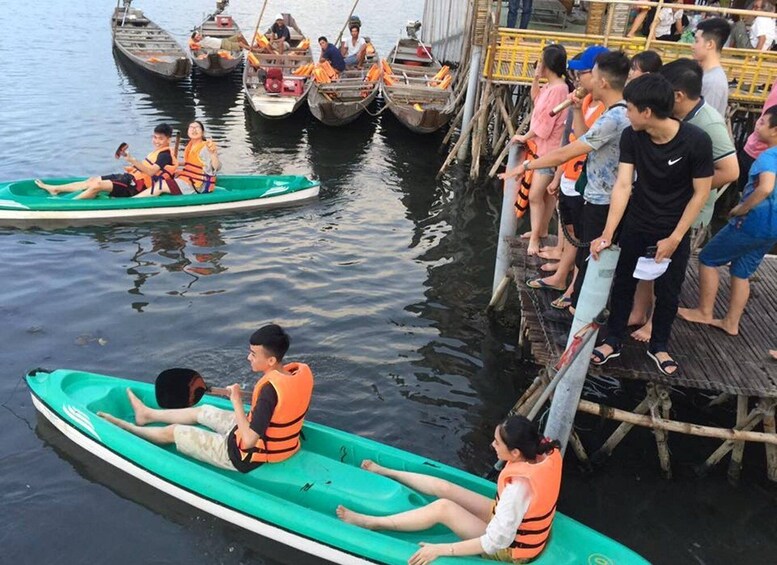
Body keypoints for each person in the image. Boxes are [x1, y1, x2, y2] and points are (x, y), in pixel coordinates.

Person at [589, 73, 713, 376]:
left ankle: (659, 345)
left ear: (646, 112)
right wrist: (607, 234)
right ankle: (613, 338)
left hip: (674, 227)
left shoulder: (696, 141)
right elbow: (622, 185)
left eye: (630, 108)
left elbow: (701, 194)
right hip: (638, 221)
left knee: (669, 291)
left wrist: (675, 237)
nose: (625, 113)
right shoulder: (632, 135)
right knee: (623, 284)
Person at [500, 49, 632, 318]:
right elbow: (584, 139)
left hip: (603, 201)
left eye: (591, 76)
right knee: (586, 262)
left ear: (603, 82)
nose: (585, 80)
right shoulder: (615, 112)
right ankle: (577, 311)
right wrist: (575, 109)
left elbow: (568, 151)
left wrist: (525, 166)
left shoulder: (615, 118)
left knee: (590, 266)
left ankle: (579, 322)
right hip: (594, 196)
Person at [336, 416, 562, 564]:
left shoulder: (517, 490)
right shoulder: (542, 454)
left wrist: (442, 549)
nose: (492, 445)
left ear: (515, 453)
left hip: (510, 549)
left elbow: (495, 542)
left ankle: (372, 522)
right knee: (444, 488)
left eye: (497, 443)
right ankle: (386, 471)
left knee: (443, 508)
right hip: (512, 521)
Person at [98, 324, 315, 473]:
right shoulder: (297, 373)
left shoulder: (269, 390)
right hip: (278, 442)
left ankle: (128, 429)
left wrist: (237, 401)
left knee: (174, 431)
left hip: (245, 456)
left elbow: (249, 441)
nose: (249, 357)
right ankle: (147, 414)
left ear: (271, 361)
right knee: (203, 411)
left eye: (253, 354)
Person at [628, 59, 738, 341]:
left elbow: (730, 171)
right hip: (657, 208)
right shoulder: (674, 121)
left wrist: (678, 187)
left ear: (677, 95)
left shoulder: (708, 123)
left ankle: (654, 323)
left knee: (666, 270)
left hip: (688, 210)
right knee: (646, 262)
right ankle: (638, 312)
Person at [679, 106, 777, 336]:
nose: (758, 124)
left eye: (763, 122)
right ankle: (731, 322)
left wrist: (742, 207)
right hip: (771, 229)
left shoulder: (769, 156)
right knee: (741, 271)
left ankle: (704, 311)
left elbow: (766, 187)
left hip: (751, 222)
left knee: (708, 258)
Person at [527, 47, 608, 308]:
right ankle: (562, 276)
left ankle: (573, 286)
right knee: (571, 229)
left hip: (589, 182)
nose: (577, 77)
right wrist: (559, 175)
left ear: (599, 76)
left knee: (583, 236)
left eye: (583, 73)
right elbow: (572, 139)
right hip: (569, 171)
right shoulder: (584, 101)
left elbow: (585, 142)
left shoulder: (609, 110)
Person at [511, 44, 572, 256]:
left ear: (547, 64)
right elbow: (536, 98)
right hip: (543, 150)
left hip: (549, 151)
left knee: (536, 196)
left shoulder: (559, 90)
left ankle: (536, 237)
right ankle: (542, 229)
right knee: (544, 197)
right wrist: (536, 78)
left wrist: (524, 136)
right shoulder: (552, 87)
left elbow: (544, 127)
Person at [35, 123, 177, 200]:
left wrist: (133, 160)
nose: (156, 141)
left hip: (134, 187)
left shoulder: (165, 155)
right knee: (92, 179)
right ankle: (56, 189)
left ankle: (69, 205)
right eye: (155, 137)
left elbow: (152, 172)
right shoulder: (158, 152)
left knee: (96, 186)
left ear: (168, 139)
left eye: (160, 139)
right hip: (130, 178)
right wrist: (133, 165)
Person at [692, 18, 732, 117]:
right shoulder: (706, 74)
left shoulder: (713, 82)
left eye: (697, 41)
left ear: (709, 44)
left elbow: (704, 120)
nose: (692, 46)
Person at [171, 121, 221, 195]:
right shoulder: (190, 146)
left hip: (199, 185)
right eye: (191, 127)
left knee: (160, 186)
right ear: (188, 132)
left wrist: (213, 154)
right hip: (190, 179)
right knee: (168, 176)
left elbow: (217, 167)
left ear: (203, 132)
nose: (194, 130)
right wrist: (177, 163)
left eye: (197, 127)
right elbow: (193, 163)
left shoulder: (206, 147)